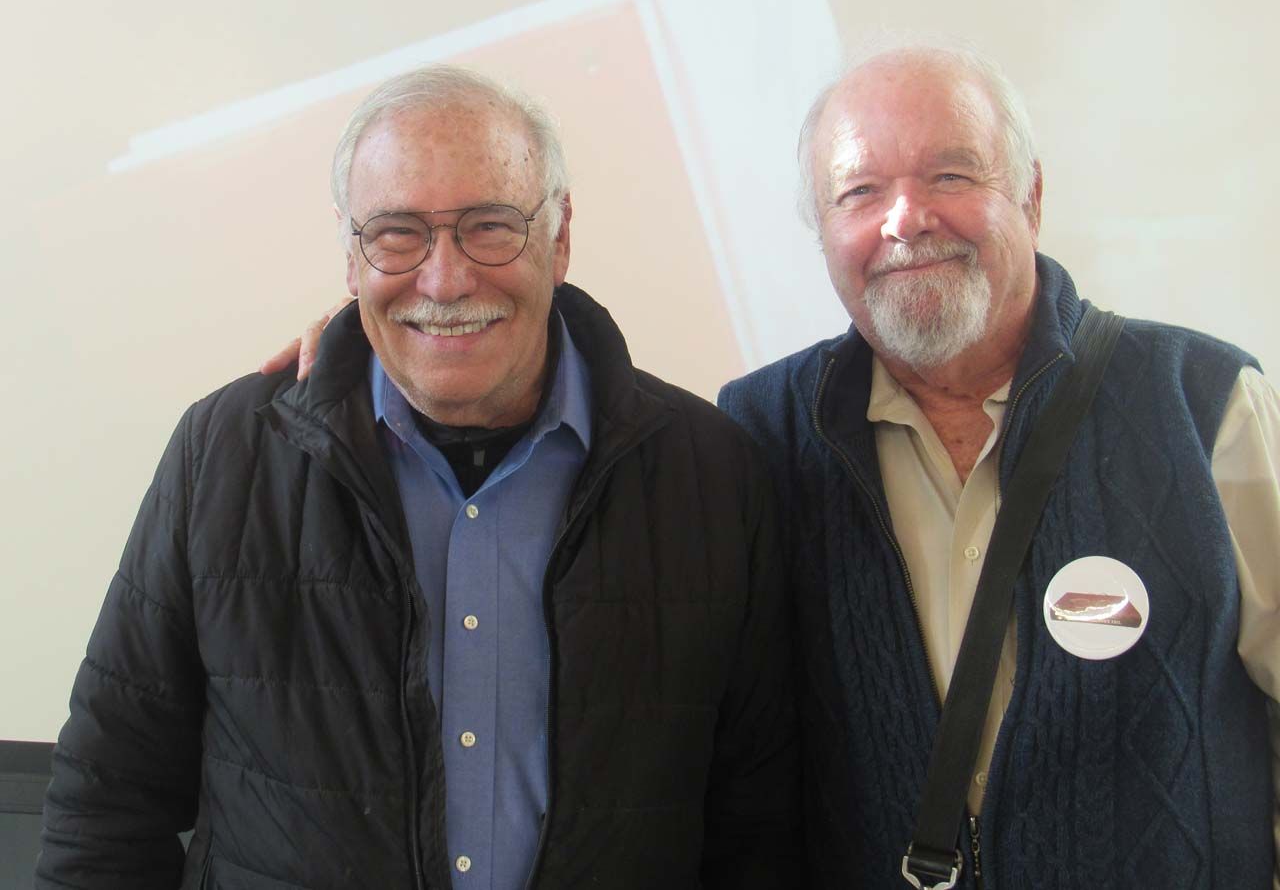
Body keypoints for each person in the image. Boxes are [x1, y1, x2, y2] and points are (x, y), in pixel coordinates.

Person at [36, 65, 800, 890]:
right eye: (398, 233)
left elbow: (758, 830)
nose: (445, 278)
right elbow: (108, 805)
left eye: (490, 225)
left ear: (561, 234)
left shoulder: (711, 476)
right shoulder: (223, 457)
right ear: (352, 252)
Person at [717, 44, 1280, 888]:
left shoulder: (1205, 402)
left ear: (1031, 195)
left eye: (950, 175)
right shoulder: (758, 434)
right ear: (826, 231)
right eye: (860, 192)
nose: (906, 218)